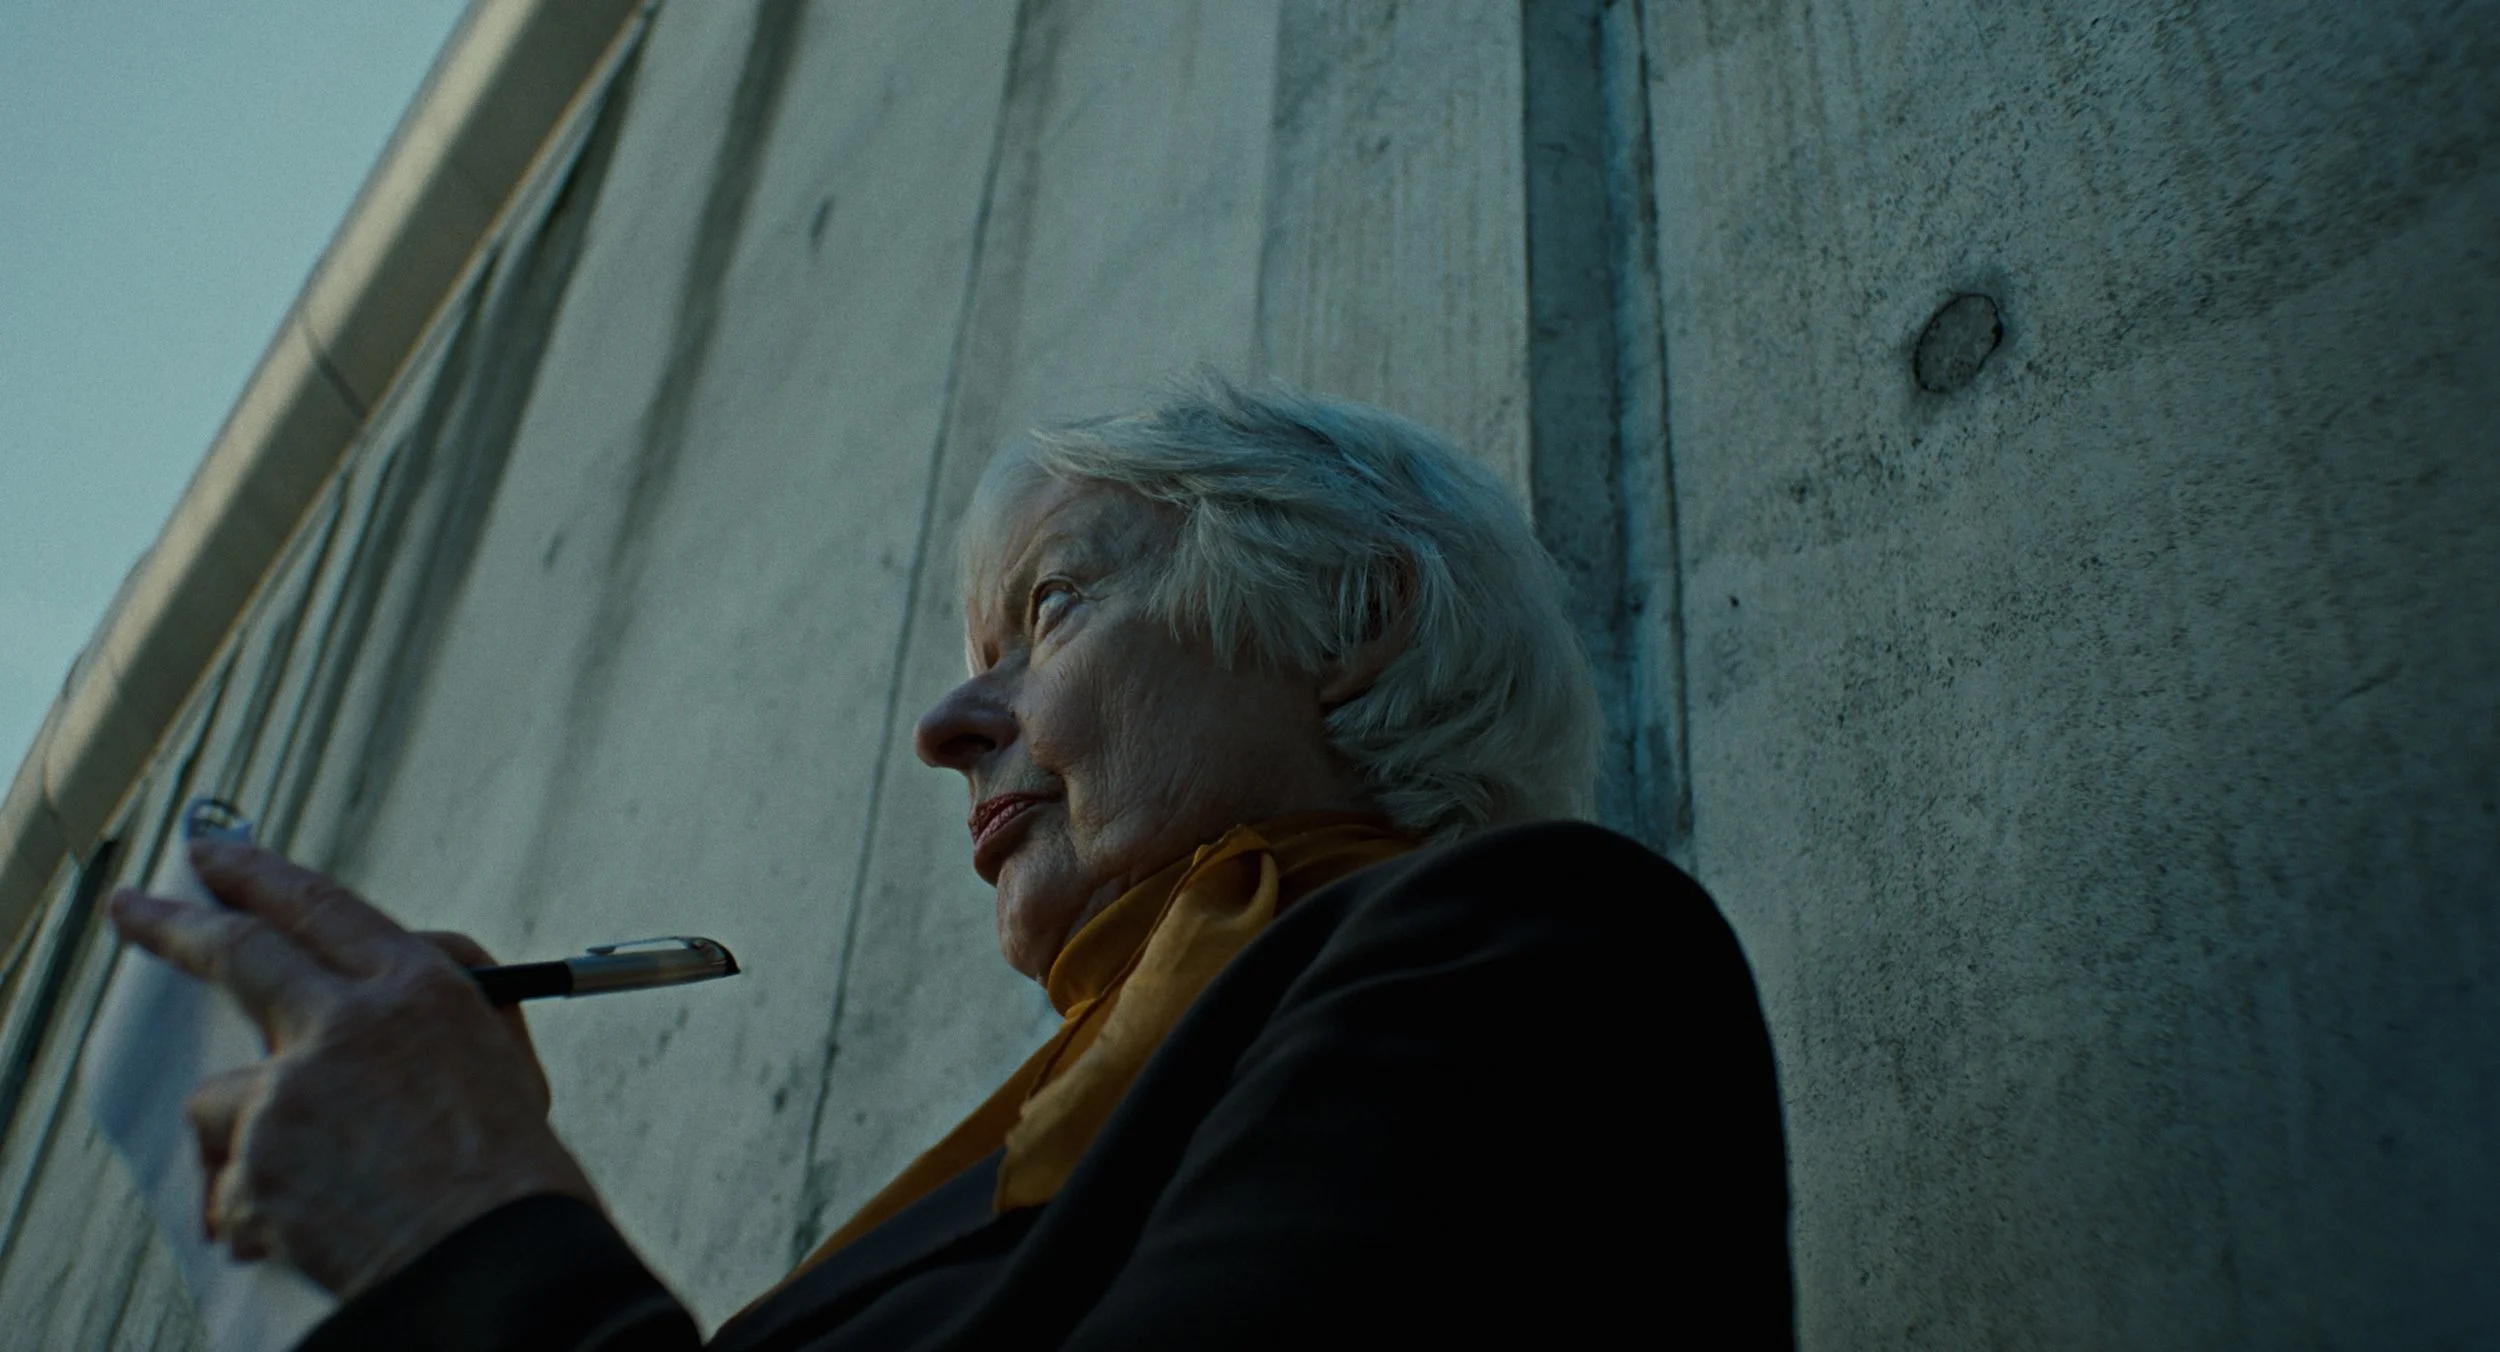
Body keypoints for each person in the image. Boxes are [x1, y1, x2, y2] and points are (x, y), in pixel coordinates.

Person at [111, 382, 1795, 1349]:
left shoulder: (1544, 950)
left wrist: (462, 1227)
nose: (942, 725)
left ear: (1354, 626)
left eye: (1051, 608)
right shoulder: (1020, 1154)